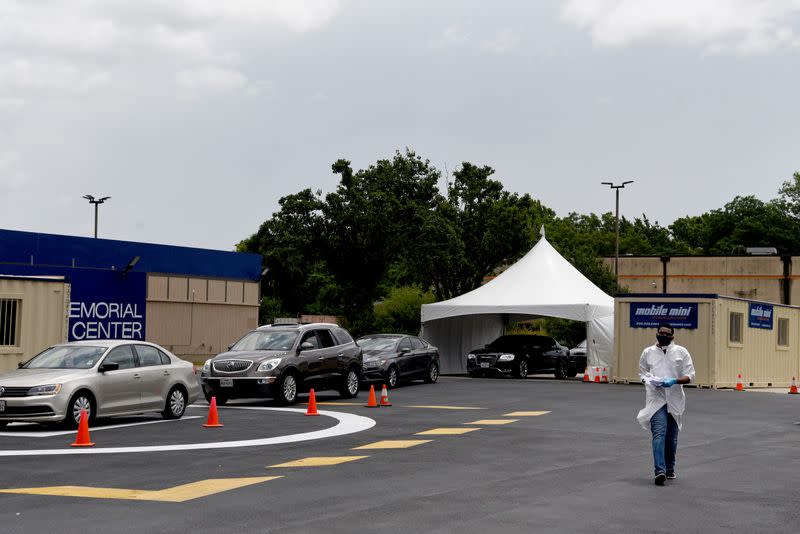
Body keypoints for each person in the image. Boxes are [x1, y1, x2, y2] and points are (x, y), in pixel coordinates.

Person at [637, 323, 696, 486]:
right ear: (656, 333)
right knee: (659, 434)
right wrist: (648, 380)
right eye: (660, 332)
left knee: (671, 439)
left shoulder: (681, 352)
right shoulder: (648, 353)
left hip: (675, 399)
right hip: (655, 399)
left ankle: (670, 468)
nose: (663, 335)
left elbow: (691, 376)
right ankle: (659, 471)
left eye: (666, 333)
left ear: (672, 336)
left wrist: (674, 381)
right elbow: (642, 373)